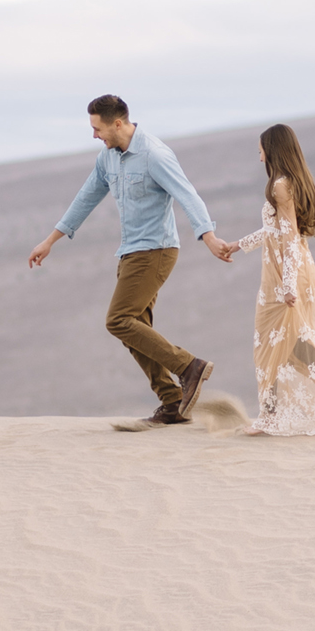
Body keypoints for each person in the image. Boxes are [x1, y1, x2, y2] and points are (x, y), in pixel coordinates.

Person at [28, 95, 238, 424]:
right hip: (130, 252)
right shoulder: (108, 158)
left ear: (118, 123)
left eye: (97, 129)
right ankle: (171, 402)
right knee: (135, 330)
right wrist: (51, 239)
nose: (95, 135)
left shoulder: (154, 154)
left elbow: (186, 193)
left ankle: (189, 366)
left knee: (118, 320)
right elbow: (86, 196)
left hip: (156, 250)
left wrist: (207, 236)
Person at [227, 123, 315, 436]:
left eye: (261, 150)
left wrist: (287, 286)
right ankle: (279, 413)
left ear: (273, 150)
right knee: (287, 343)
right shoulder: (288, 183)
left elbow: (288, 237)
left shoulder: (280, 185)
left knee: (289, 344)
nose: (259, 157)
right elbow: (277, 231)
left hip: (286, 273)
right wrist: (239, 245)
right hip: (289, 269)